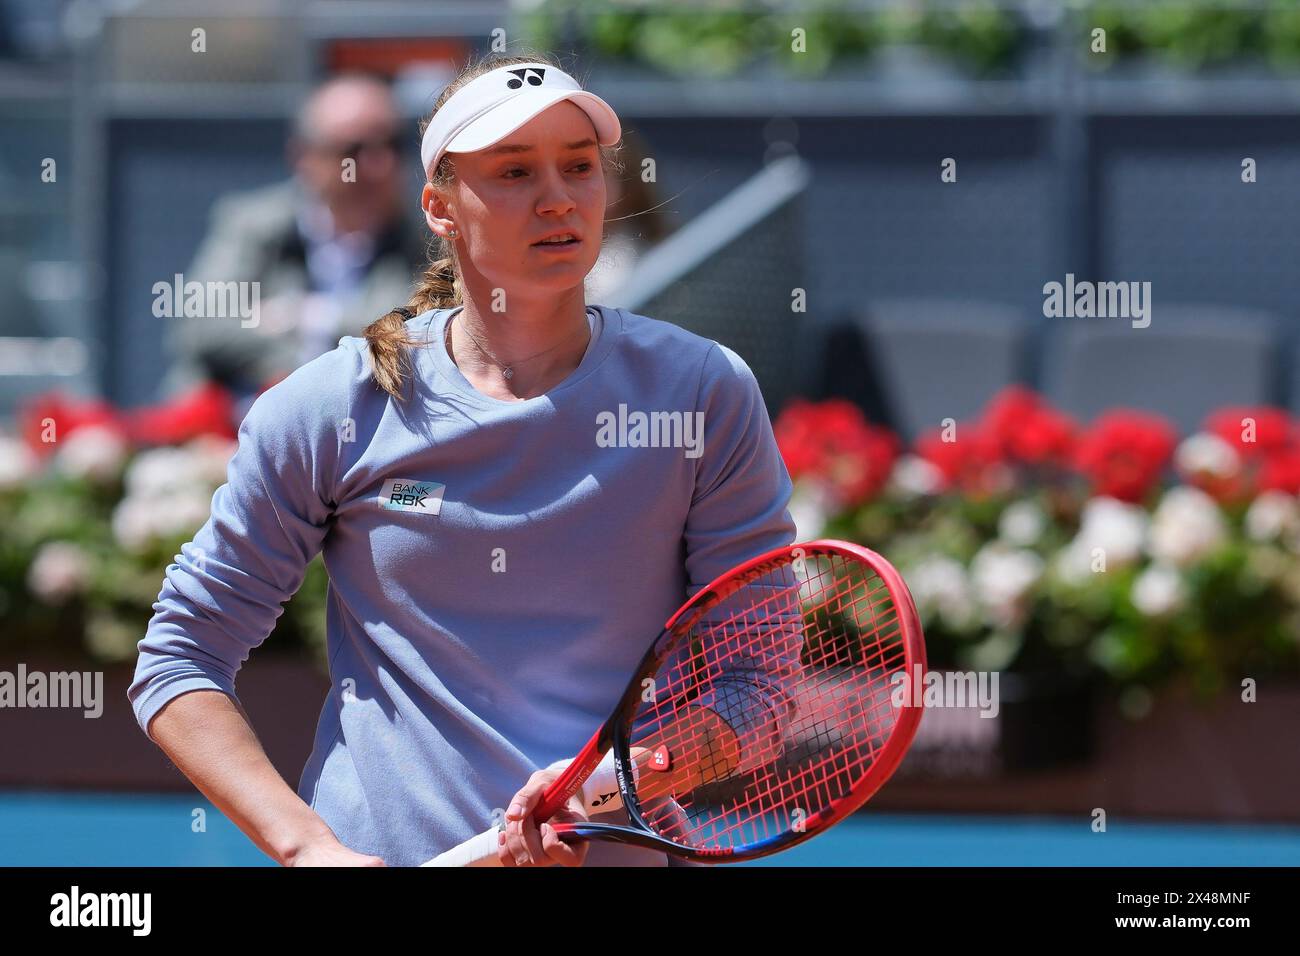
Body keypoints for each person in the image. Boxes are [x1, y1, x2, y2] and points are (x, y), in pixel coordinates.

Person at [128, 50, 796, 867]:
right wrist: (307, 849)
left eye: (579, 167)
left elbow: (758, 690)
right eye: (514, 171)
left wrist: (617, 784)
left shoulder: (704, 391)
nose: (558, 197)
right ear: (439, 208)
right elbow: (180, 660)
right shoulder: (330, 405)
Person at [158, 73, 427, 411]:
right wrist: (303, 365)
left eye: (391, 144)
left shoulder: (425, 241)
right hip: (237, 427)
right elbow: (202, 325)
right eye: (354, 150)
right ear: (305, 157)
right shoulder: (252, 224)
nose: (378, 164)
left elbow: (417, 334)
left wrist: (309, 317)